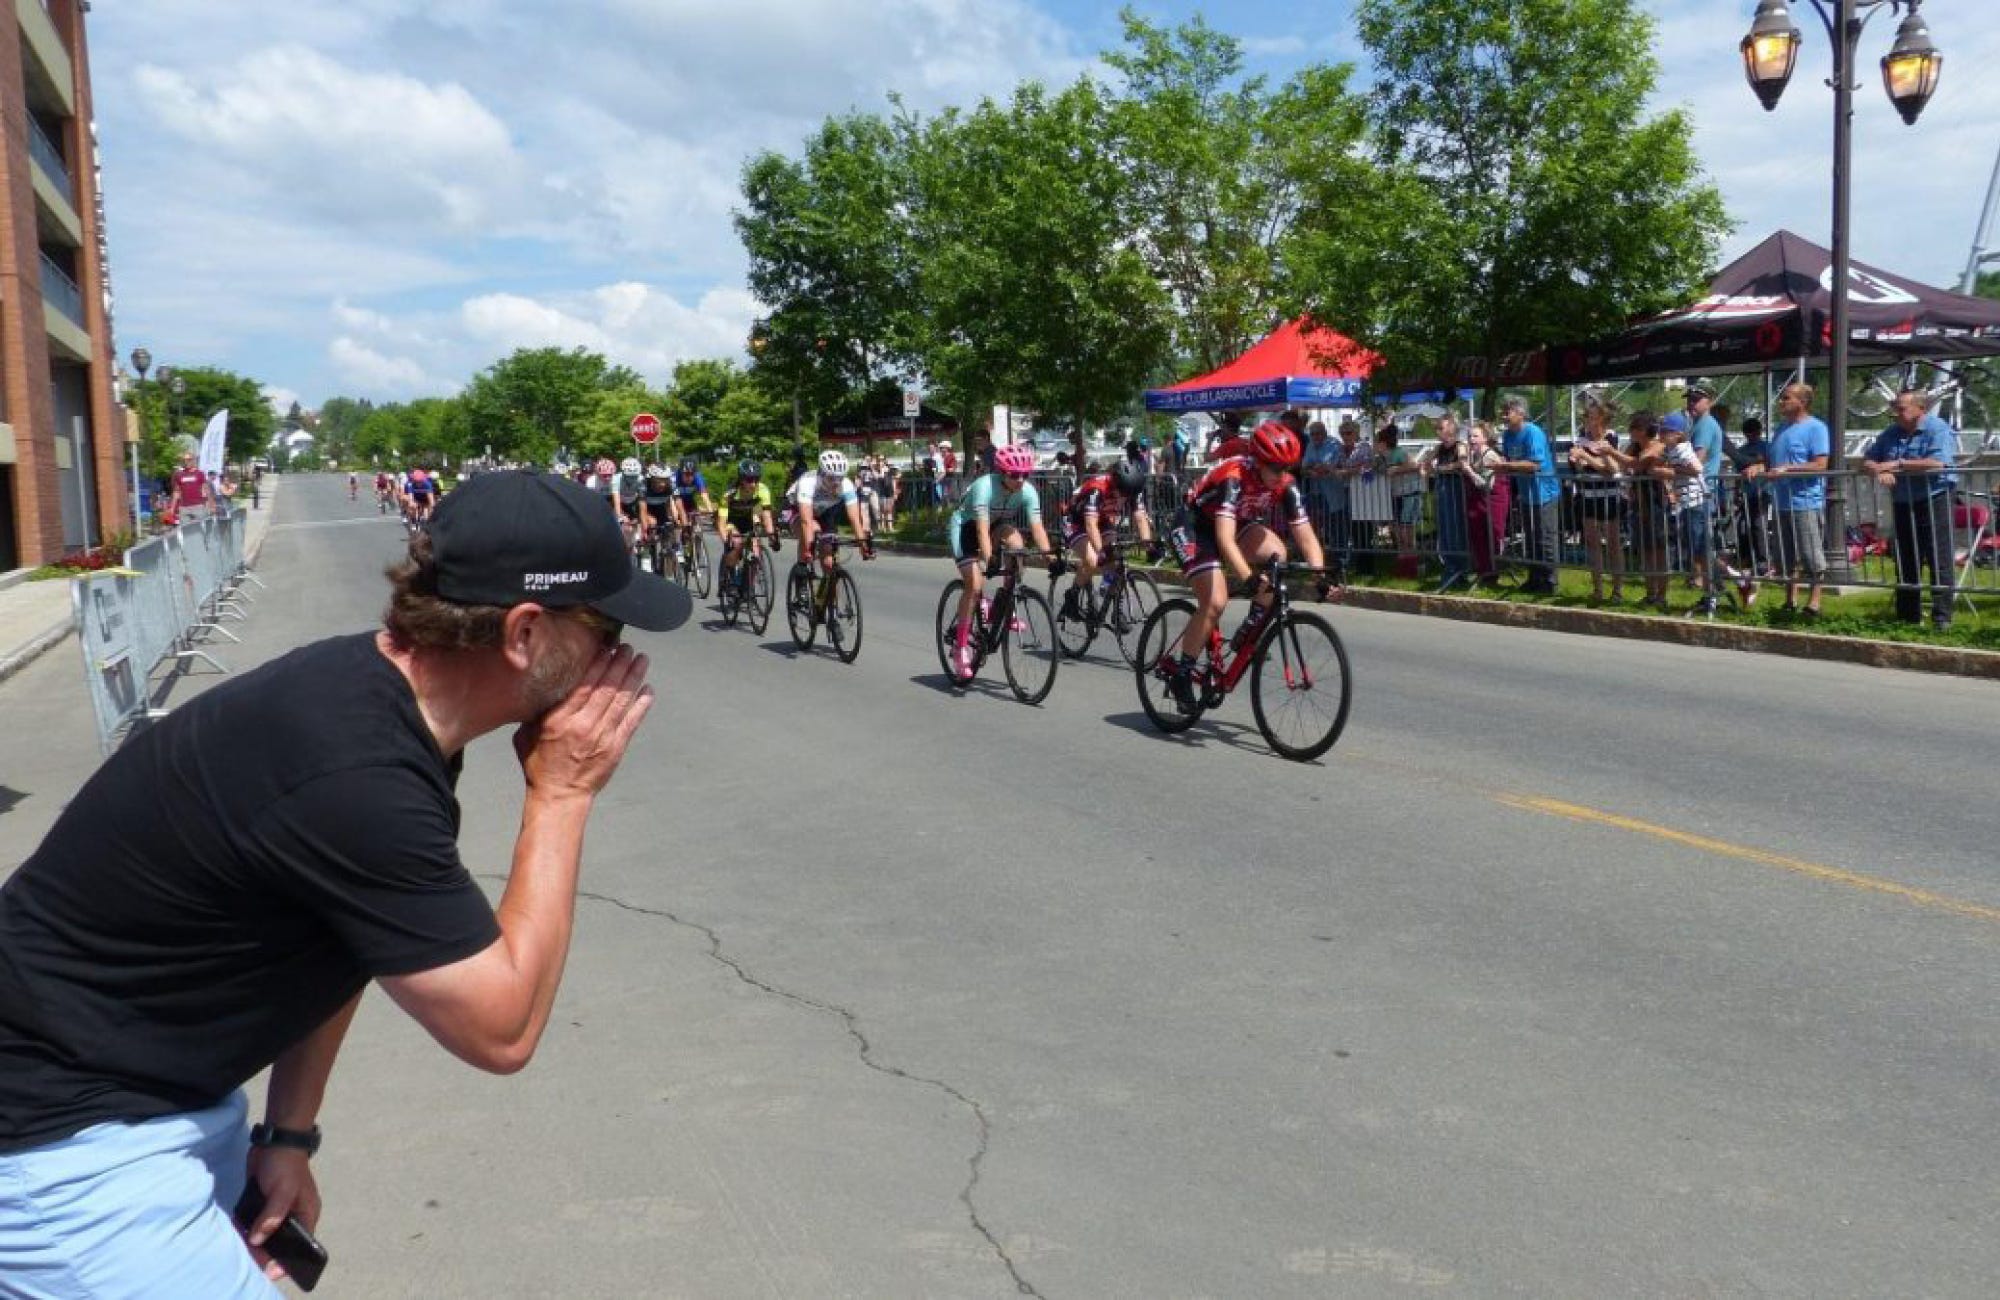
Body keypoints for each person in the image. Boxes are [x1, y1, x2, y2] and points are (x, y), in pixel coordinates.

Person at [0, 471, 688, 1298]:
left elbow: (349, 932)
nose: (617, 662)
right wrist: (562, 793)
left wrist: (289, 1134)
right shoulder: (355, 771)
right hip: (62, 1148)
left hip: (150, 1099)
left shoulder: (385, 704)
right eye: (605, 629)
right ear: (525, 633)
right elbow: (502, 1030)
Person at [1159, 421, 1327, 713]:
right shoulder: (1234, 476)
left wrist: (1320, 577)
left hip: (1237, 523)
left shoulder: (1285, 483)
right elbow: (1224, 539)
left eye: (1288, 467)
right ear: (1259, 461)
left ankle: (1251, 625)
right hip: (1196, 527)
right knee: (1215, 601)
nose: (1282, 475)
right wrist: (1249, 578)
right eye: (1275, 468)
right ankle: (1182, 673)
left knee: (1277, 553)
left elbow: (1307, 537)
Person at [944, 444, 1054, 682]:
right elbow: (981, 531)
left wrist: (1050, 558)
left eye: (1026, 474)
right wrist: (990, 559)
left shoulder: (1027, 491)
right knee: (974, 584)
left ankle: (1001, 605)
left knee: (1018, 546)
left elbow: (1038, 528)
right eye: (1015, 475)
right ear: (1002, 472)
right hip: (966, 528)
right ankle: (961, 647)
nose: (1021, 480)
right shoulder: (985, 486)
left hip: (996, 526)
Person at [1861, 388, 1959, 629]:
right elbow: (1868, 459)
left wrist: (1897, 464)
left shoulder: (1937, 429)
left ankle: (1942, 618)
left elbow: (1938, 463)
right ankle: (1907, 617)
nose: (1896, 413)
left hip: (1934, 497)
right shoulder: (1891, 433)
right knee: (1905, 558)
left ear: (1920, 409)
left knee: (1939, 558)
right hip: (1903, 501)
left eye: (1901, 408)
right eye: (1895, 407)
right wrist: (1878, 469)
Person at [1744, 381, 1831, 617]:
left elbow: (1821, 464)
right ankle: (1790, 600)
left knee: (1811, 555)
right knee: (1787, 557)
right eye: (1782, 398)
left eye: (1787, 398)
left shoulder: (1816, 428)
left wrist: (1788, 470)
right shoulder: (1781, 429)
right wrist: (1760, 466)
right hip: (1781, 502)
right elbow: (1773, 463)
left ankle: (1814, 603)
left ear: (1802, 402)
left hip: (1806, 502)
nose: (1781, 402)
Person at [1058, 458, 1158, 619]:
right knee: (1092, 560)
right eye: (1124, 493)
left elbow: (1140, 518)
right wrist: (1101, 552)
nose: (1125, 498)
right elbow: (1090, 525)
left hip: (1103, 520)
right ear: (1115, 482)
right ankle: (1072, 596)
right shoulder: (1097, 489)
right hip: (1075, 521)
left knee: (1116, 562)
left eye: (1129, 494)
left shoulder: (1131, 489)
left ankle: (1117, 611)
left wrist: (1149, 546)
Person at [1494, 394, 1560, 594]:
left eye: (1508, 412)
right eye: (1503, 411)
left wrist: (1506, 465)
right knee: (1530, 538)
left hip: (1544, 492)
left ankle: (1550, 581)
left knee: (1545, 537)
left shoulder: (1533, 432)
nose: (1504, 416)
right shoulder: (1507, 435)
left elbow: (1535, 464)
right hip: (1525, 492)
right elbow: (1508, 460)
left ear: (1520, 413)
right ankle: (1534, 577)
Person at [1655, 413, 1718, 615]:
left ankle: (1717, 589)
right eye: (1660, 430)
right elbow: (1658, 462)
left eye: (1665, 431)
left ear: (1678, 434)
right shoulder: (1670, 449)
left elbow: (1697, 469)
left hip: (1696, 502)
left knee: (1700, 550)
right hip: (1686, 503)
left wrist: (1670, 473)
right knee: (1696, 551)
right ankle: (1714, 589)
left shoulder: (1682, 449)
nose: (1661, 434)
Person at [1567, 399, 1628, 605]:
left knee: (1613, 544)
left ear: (1603, 421)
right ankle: (1598, 589)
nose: (1589, 423)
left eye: (1593, 419)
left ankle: (1617, 590)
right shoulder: (1580, 440)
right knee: (1593, 544)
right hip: (1587, 496)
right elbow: (1580, 468)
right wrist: (1580, 461)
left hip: (1609, 496)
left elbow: (1611, 469)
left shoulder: (1610, 438)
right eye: (1587, 418)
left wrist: (1587, 457)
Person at [789, 449, 875, 585]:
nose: (836, 482)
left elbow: (854, 519)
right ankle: (801, 576)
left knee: (829, 562)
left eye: (840, 477)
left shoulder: (846, 485)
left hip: (825, 512)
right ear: (821, 474)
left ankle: (830, 602)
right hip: (798, 509)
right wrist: (808, 550)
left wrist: (863, 545)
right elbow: (806, 521)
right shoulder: (808, 482)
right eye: (831, 478)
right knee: (812, 531)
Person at [1418, 415, 1471, 591]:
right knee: (1445, 530)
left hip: (1455, 491)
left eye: (1441, 428)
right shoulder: (1439, 448)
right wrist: (1425, 470)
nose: (1438, 432)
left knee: (1456, 529)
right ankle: (1449, 566)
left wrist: (1440, 469)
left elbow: (1462, 462)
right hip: (1442, 491)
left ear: (1450, 429)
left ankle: (1460, 568)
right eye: (1437, 428)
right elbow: (1425, 462)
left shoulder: (1460, 445)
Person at [715, 459, 779, 593]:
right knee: (737, 543)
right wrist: (727, 541)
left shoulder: (762, 490)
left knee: (755, 553)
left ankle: (747, 585)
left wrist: (772, 535)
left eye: (756, 479)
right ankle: (732, 578)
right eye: (749, 480)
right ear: (742, 479)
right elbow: (721, 523)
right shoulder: (729, 494)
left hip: (749, 519)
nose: (753, 483)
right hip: (732, 521)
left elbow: (766, 515)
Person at [1462, 421, 1510, 585]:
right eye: (1469, 436)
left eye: (1475, 436)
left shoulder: (1489, 455)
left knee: (1493, 534)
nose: (1471, 439)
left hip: (1493, 499)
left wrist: (1468, 471)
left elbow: (1486, 484)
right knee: (1478, 535)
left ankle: (1492, 572)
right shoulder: (1474, 455)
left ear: (1485, 438)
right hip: (1479, 501)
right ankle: (1484, 571)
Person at [1727, 416, 1772, 583]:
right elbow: (1739, 475)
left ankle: (1763, 561)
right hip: (1747, 493)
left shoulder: (1767, 448)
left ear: (1759, 432)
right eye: (1749, 433)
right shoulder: (1742, 450)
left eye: (1754, 433)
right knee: (1744, 526)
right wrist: (1737, 493)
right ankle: (1747, 557)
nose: (1752, 436)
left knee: (1759, 525)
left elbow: (1771, 465)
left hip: (1763, 491)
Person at [171, 452, 209, 519]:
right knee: (185, 528)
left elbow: (205, 489)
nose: (186, 462)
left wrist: (208, 505)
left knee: (199, 528)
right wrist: (172, 508)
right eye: (184, 460)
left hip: (198, 506)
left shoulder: (200, 473)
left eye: (189, 459)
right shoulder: (179, 474)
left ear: (193, 460)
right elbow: (176, 492)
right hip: (184, 507)